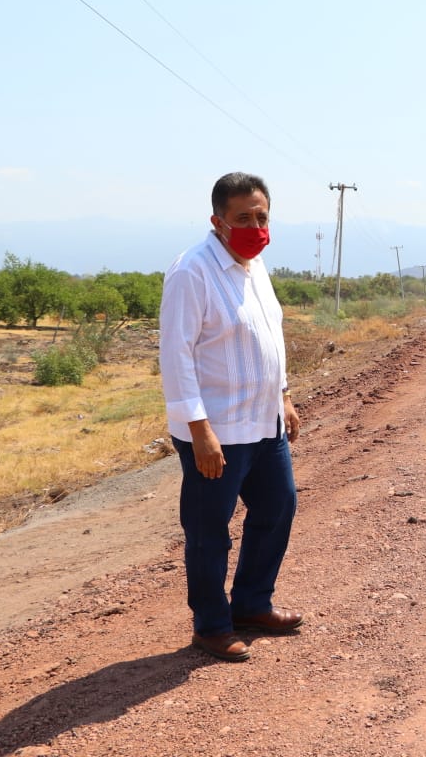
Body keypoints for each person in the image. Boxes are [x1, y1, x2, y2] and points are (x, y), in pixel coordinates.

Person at [159, 171, 304, 662]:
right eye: (244, 218)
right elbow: (175, 357)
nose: (256, 226)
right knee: (209, 530)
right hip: (216, 431)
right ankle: (212, 625)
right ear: (217, 220)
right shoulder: (192, 272)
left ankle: (251, 604)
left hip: (264, 423)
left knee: (276, 509)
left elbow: (270, 334)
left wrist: (282, 394)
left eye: (262, 216)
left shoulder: (254, 266)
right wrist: (199, 431)